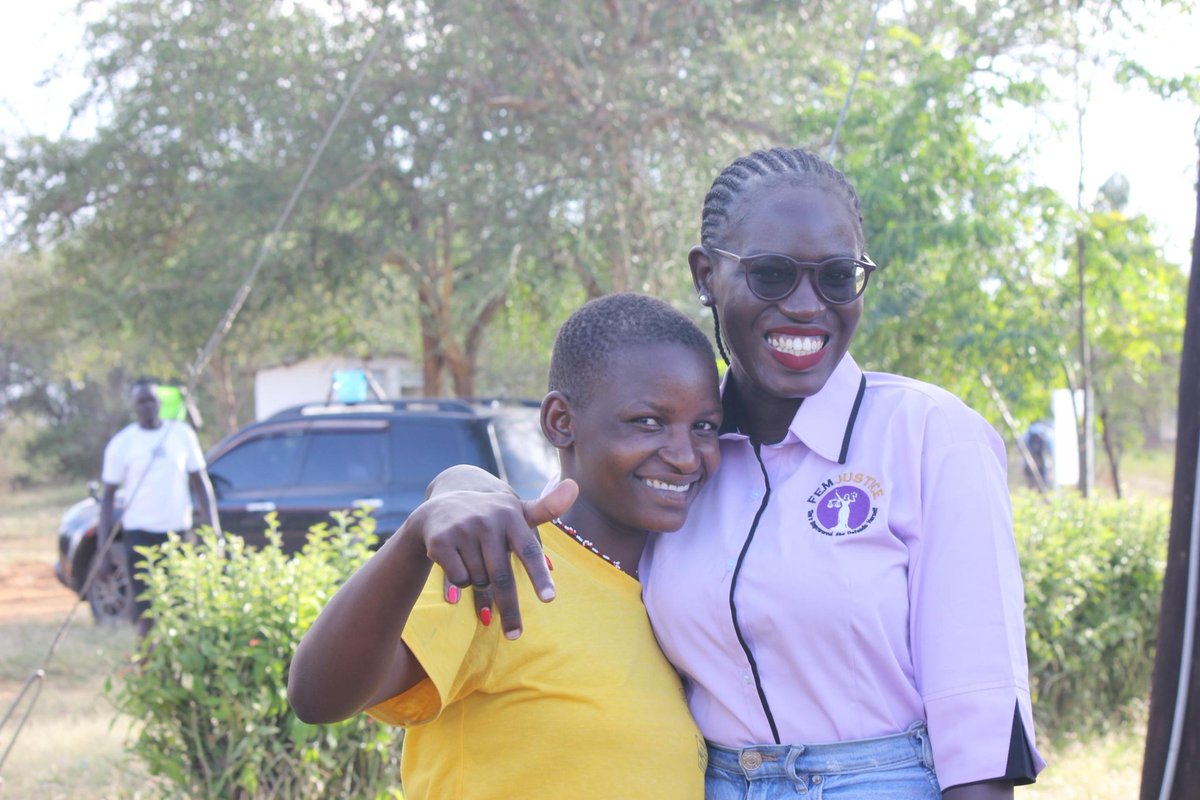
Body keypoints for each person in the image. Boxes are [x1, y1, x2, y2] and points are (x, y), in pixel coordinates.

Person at [404, 147, 1046, 799]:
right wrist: (462, 481)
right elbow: (571, 535)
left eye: (837, 276)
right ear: (707, 275)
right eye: (771, 274)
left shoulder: (929, 434)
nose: (807, 305)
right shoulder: (678, 460)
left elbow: (980, 709)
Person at [287, 293, 723, 799]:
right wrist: (412, 537)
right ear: (561, 422)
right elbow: (318, 697)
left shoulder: (677, 598)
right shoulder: (500, 562)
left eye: (704, 427)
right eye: (648, 421)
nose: (685, 456)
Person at [97, 378, 221, 637]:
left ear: (159, 403)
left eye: (151, 400)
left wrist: (214, 532)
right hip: (140, 536)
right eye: (140, 402)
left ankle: (177, 659)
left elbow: (200, 483)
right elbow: (107, 497)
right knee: (146, 613)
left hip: (177, 534)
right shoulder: (123, 443)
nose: (147, 406)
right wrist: (103, 551)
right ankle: (146, 659)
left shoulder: (181, 434)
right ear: (133, 407)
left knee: (182, 607)